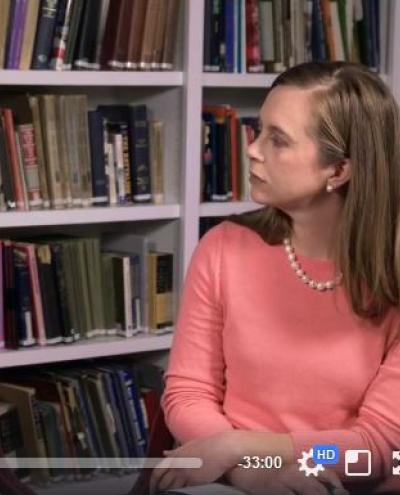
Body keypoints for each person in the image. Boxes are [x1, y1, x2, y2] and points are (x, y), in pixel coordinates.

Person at [152, 62, 400, 495]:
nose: (252, 149)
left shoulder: (392, 277)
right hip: (229, 479)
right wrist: (252, 471)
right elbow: (188, 393)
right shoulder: (223, 248)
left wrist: (240, 448)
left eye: (277, 140)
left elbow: (376, 449)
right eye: (258, 130)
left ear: (338, 171)